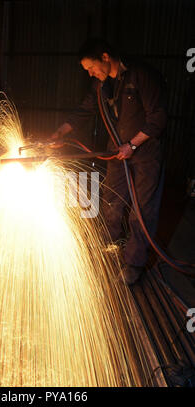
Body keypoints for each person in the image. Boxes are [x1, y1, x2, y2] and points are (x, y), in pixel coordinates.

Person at [50, 38, 167, 285]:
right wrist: (60, 132)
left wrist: (133, 144)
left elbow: (157, 118)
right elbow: (84, 110)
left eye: (91, 68)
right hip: (117, 151)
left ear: (105, 57)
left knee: (141, 211)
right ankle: (110, 245)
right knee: (112, 200)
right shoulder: (101, 86)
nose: (90, 73)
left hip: (145, 155)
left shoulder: (141, 75)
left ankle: (134, 264)